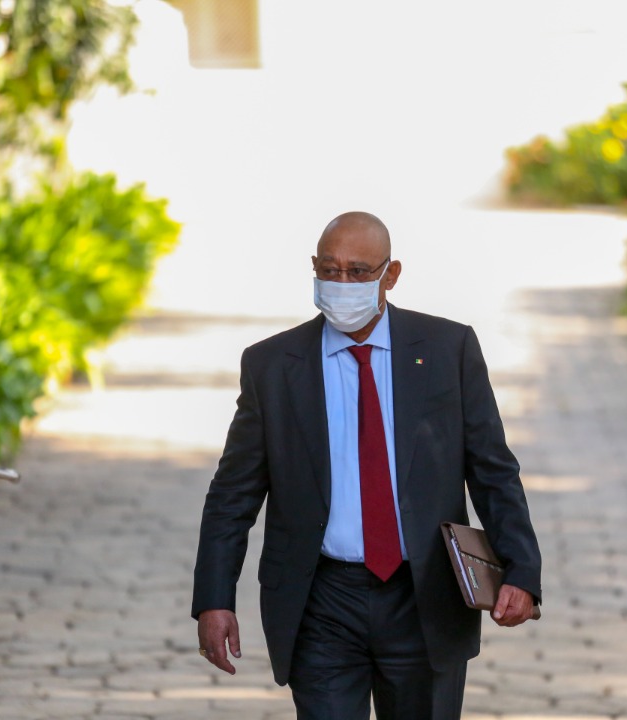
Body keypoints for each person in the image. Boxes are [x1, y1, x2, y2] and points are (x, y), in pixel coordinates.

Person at [191, 211, 543, 719]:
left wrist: (522, 570)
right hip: (320, 601)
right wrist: (213, 599)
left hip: (423, 596)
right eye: (329, 270)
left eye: (358, 272)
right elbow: (233, 494)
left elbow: (492, 470)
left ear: (390, 275)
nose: (341, 283)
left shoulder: (447, 350)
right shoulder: (273, 366)